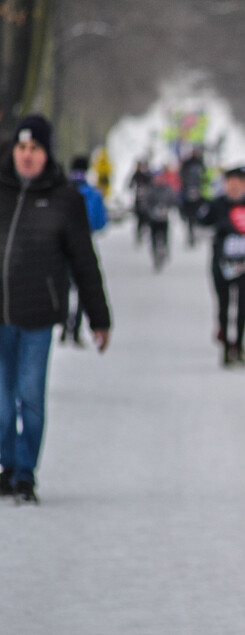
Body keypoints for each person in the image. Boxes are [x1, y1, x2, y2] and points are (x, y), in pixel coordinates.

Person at [0, 115, 112, 504]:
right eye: (22, 148)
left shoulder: (65, 199)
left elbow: (84, 261)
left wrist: (99, 318)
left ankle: (25, 473)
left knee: (29, 397)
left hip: (37, 316)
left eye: (35, 149)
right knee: (0, 401)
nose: (27, 156)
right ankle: (7, 464)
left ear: (47, 154)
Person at [198, 165, 245, 367]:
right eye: (229, 183)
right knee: (223, 305)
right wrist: (217, 232)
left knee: (243, 305)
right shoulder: (217, 204)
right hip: (221, 263)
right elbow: (201, 225)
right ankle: (225, 345)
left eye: (238, 184)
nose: (233, 188)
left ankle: (239, 345)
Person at [61, 155, 108, 346]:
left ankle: (64, 324)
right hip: (82, 241)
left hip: (59, 245)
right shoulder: (93, 194)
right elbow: (100, 222)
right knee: (82, 284)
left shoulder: (60, 191)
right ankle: (76, 327)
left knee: (63, 285)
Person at [144, 170, 177, 272]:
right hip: (153, 219)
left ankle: (164, 252)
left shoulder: (167, 189)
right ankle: (155, 257)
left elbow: (173, 201)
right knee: (153, 238)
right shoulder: (150, 189)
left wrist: (167, 209)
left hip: (164, 218)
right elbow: (146, 203)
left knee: (165, 236)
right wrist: (151, 211)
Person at [179, 146, 208, 247]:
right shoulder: (187, 163)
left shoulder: (200, 163)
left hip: (198, 191)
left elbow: (205, 176)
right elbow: (182, 175)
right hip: (188, 191)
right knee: (187, 212)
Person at [129, 158, 154, 244]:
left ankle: (146, 233)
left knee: (147, 217)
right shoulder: (137, 175)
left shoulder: (149, 175)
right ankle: (139, 234)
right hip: (139, 199)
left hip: (148, 200)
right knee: (140, 217)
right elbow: (130, 185)